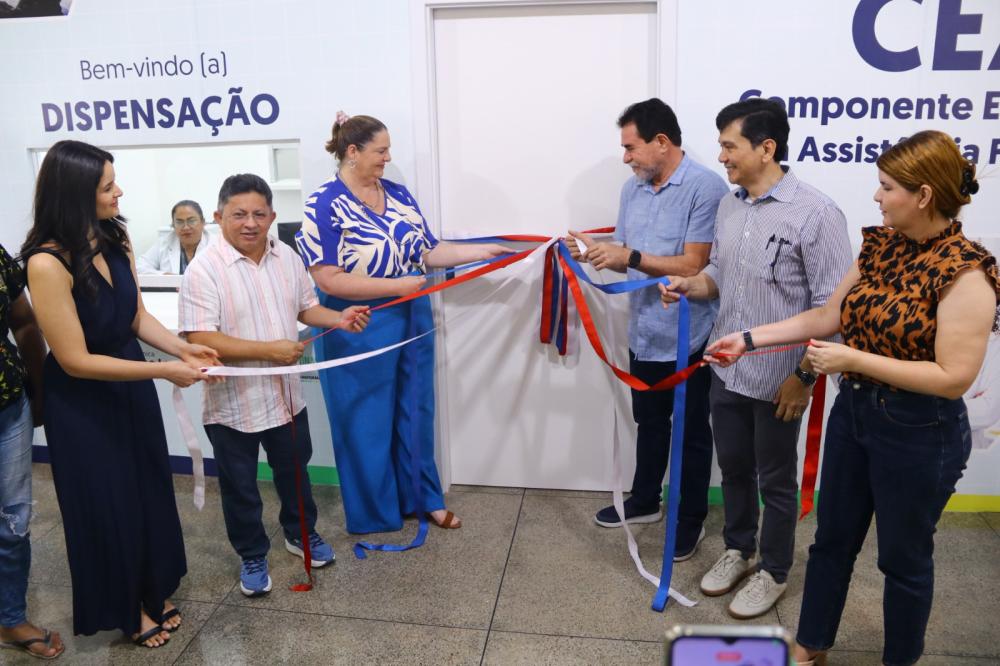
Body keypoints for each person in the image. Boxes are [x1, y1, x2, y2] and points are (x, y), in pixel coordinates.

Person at [703, 130, 999, 666]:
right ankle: (812, 643)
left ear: (924, 195)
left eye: (886, 187)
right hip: (855, 417)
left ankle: (899, 659)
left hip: (919, 431)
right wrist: (748, 340)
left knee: (903, 562)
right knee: (831, 542)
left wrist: (851, 360)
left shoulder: (967, 271)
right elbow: (828, 317)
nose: (877, 197)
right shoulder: (880, 245)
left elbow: (953, 377)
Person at [21, 140, 219, 649]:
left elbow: (135, 315)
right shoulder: (46, 263)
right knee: (106, 504)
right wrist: (163, 371)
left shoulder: (115, 235)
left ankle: (154, 587)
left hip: (128, 388)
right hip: (84, 403)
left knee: (147, 489)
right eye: (107, 186)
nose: (118, 192)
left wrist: (184, 349)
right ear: (76, 193)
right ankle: (125, 604)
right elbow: (75, 360)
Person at [660, 99, 852, 619]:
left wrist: (803, 378)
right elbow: (718, 274)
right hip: (727, 368)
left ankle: (773, 570)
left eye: (729, 146)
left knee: (776, 480)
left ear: (766, 148)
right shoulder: (730, 205)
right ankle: (739, 549)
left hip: (780, 379)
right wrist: (689, 284)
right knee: (735, 470)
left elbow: (833, 312)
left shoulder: (816, 214)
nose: (721, 156)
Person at [295, 112, 508, 534]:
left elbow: (428, 252)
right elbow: (327, 277)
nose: (388, 158)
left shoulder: (398, 194)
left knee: (416, 409)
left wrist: (484, 252)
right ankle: (376, 513)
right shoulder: (323, 204)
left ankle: (423, 498)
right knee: (366, 420)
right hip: (358, 321)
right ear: (352, 152)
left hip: (412, 312)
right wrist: (393, 287)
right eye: (381, 150)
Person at [179, 174, 370, 596]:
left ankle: (301, 534)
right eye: (239, 214)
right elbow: (200, 338)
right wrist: (270, 350)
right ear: (219, 216)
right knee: (241, 487)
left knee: (294, 473)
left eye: (259, 214)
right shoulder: (203, 270)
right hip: (232, 406)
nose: (250, 223)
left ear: (272, 216)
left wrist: (338, 318)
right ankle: (251, 554)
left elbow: (307, 308)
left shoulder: (287, 255)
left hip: (286, 399)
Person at [566, 98, 728, 560]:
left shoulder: (705, 187)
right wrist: (598, 252)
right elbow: (626, 252)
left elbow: (695, 263)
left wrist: (629, 257)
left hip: (690, 336)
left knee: (693, 433)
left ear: (661, 142)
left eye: (631, 147)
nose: (626, 158)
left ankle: (690, 519)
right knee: (649, 421)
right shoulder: (633, 189)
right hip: (644, 331)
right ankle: (644, 501)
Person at [0, 244, 63, 659]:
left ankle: (10, 618)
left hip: (7, 406)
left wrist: (40, 392)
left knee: (13, 518)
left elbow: (24, 321)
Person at [137, 200, 213, 275]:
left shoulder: (215, 244)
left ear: (203, 222)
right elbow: (138, 267)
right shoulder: (165, 243)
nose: (186, 227)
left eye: (191, 221)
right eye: (179, 222)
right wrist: (164, 275)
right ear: (173, 225)